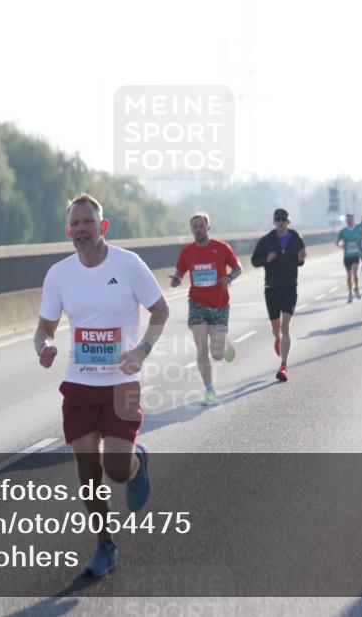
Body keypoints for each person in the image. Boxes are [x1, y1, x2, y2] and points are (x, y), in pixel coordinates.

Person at [35, 192, 169, 577]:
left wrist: (142, 350)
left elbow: (161, 309)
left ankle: (136, 462)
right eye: (74, 224)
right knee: (87, 472)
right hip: (79, 384)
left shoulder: (128, 265)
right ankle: (104, 546)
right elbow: (44, 327)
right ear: (68, 231)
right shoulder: (58, 274)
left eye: (87, 222)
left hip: (122, 384)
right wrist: (43, 345)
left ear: (103, 226)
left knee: (115, 468)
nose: (80, 229)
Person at [169, 212, 243, 405]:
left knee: (217, 354)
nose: (198, 229)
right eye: (195, 226)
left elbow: (238, 268)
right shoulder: (187, 252)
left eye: (202, 225)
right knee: (201, 348)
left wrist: (230, 277)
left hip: (219, 304)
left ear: (208, 227)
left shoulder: (221, 248)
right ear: (191, 229)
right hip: (197, 304)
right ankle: (209, 389)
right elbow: (180, 271)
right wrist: (177, 279)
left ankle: (224, 344)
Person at [251, 208, 306, 382]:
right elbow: (254, 260)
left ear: (288, 222)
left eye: (283, 219)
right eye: (278, 220)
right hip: (272, 288)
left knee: (285, 326)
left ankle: (283, 366)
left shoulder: (296, 238)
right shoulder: (266, 241)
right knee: (277, 329)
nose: (281, 222)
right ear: (274, 222)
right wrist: (266, 260)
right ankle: (277, 339)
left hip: (290, 287)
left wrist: (301, 259)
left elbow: (300, 260)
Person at [336, 213, 362, 303]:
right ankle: (350, 293)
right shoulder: (343, 231)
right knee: (349, 276)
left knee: (354, 272)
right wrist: (342, 247)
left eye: (351, 220)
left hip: (355, 255)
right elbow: (337, 242)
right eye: (348, 220)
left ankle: (356, 288)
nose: (350, 221)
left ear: (354, 220)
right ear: (346, 221)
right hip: (347, 256)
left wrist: (361, 247)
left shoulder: (358, 229)